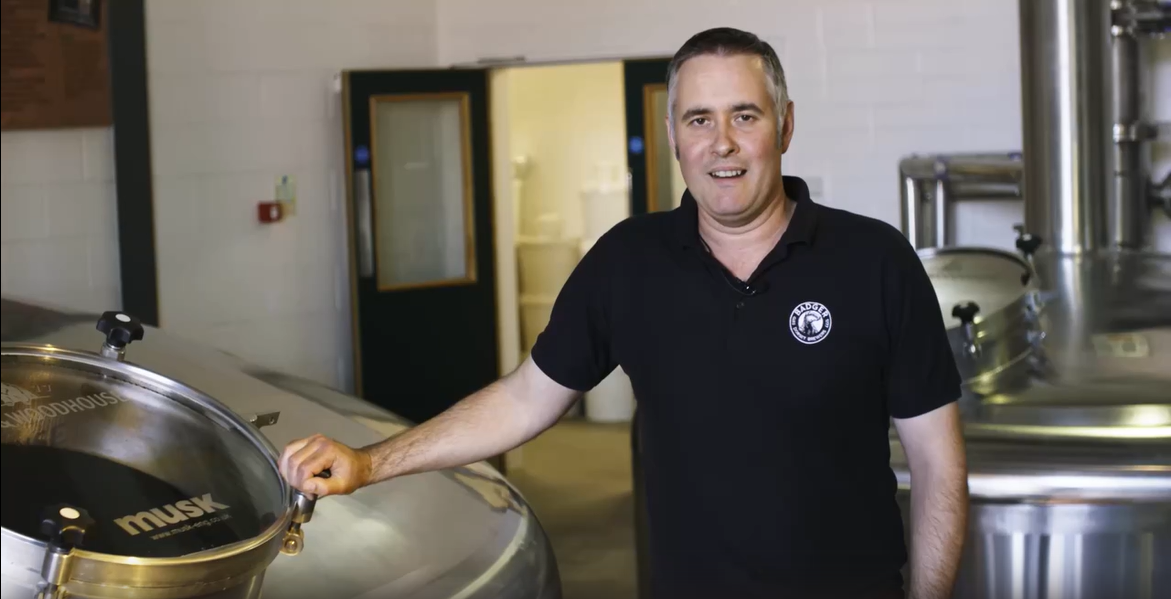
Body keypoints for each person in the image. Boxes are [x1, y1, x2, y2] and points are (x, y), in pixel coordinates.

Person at [280, 27, 968, 599]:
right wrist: (369, 462)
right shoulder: (629, 263)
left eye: (745, 116)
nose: (720, 142)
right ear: (674, 134)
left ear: (783, 126)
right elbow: (525, 398)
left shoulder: (872, 260)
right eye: (699, 119)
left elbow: (936, 461)